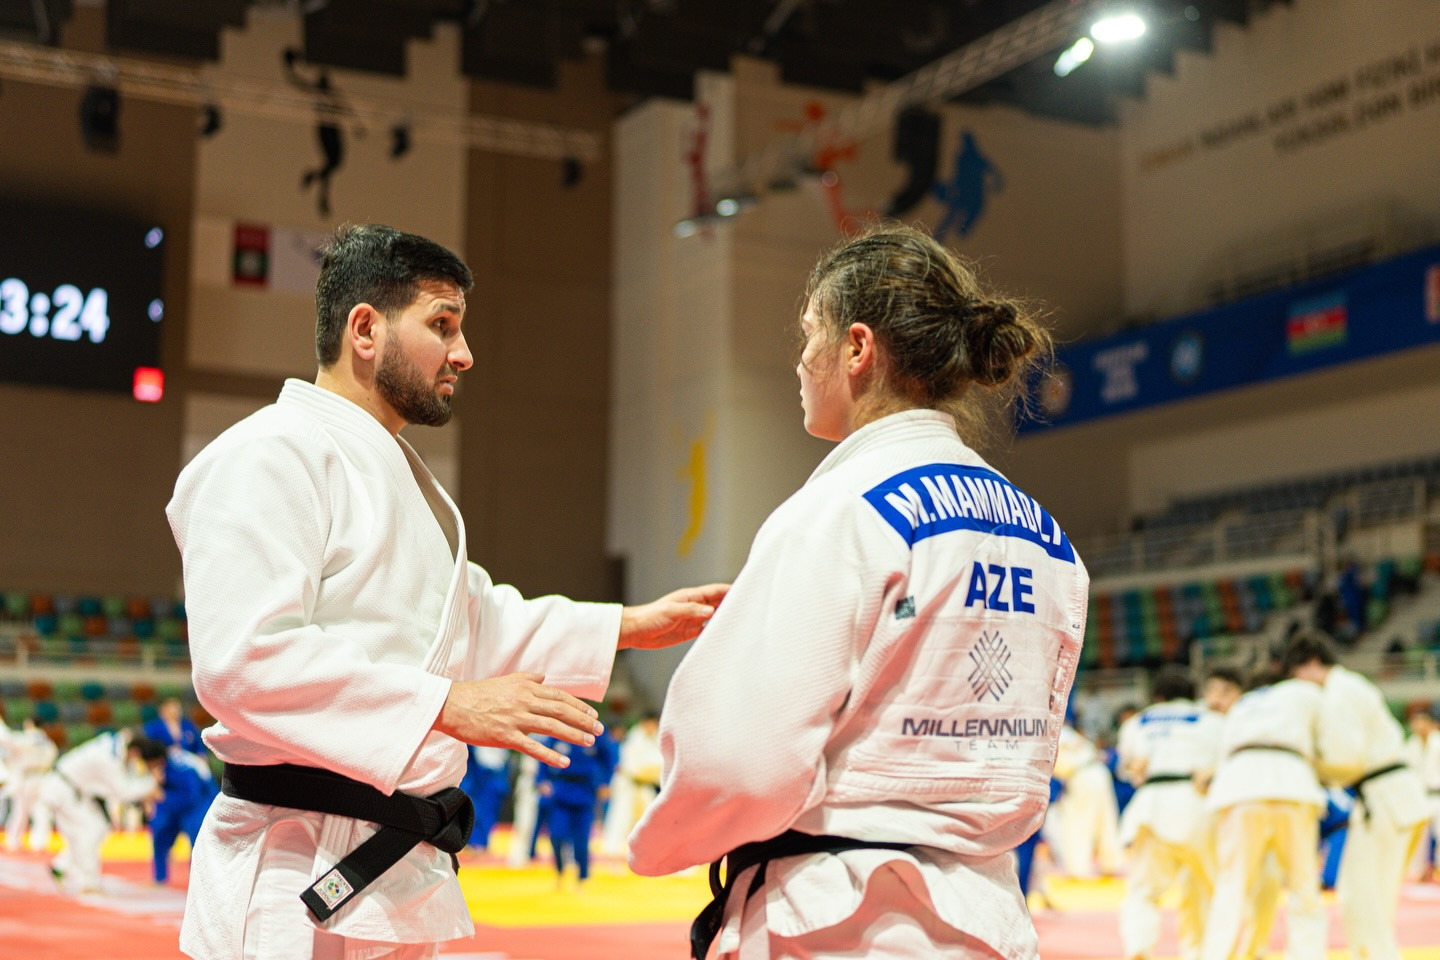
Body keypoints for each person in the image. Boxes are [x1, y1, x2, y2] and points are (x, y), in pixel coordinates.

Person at [165, 223, 726, 960]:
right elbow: (244, 661)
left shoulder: (398, 473)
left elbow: (472, 620)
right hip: (295, 872)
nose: (464, 353)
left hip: (396, 871)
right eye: (442, 325)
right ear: (365, 330)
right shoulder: (267, 454)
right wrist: (446, 705)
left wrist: (629, 625)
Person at [627, 223, 1089, 959]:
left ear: (857, 348)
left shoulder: (841, 510)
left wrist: (659, 842)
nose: (800, 359)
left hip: (839, 919)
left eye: (810, 332)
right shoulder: (1049, 538)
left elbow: (739, 758)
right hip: (990, 921)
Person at [1283, 632, 1429, 960]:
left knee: (1362, 896)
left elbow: (1347, 758)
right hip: (1388, 795)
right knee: (1369, 895)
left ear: (1310, 664)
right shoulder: (1349, 686)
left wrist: (1310, 763)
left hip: (1385, 797)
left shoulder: (1339, 691)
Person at [1199, 669, 1346, 960]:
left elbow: (1222, 757)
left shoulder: (1242, 704)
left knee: (1231, 884)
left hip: (1240, 785)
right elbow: (1331, 743)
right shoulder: (1305, 692)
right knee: (1303, 885)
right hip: (1292, 782)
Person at [1115, 667, 1223, 960]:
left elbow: (1130, 770)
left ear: (1158, 696)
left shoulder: (1137, 721)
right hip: (1194, 801)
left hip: (1149, 803)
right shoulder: (1211, 720)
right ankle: (1201, 953)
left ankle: (1139, 948)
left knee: (1142, 889)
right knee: (1204, 885)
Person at [39, 728, 166, 894]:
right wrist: (151, 783)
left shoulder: (116, 744)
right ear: (134, 751)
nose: (134, 761)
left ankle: (62, 866)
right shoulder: (109, 758)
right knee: (91, 831)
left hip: (72, 789)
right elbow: (124, 792)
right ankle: (88, 883)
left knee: (95, 828)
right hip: (65, 790)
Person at [534, 729, 617, 888]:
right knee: (556, 836)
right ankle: (560, 871)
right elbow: (543, 756)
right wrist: (542, 780)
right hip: (560, 790)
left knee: (581, 840)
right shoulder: (558, 730)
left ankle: (582, 876)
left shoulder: (594, 732)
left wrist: (605, 782)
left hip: (585, 792)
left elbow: (608, 758)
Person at [600, 713, 662, 857]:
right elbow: (630, 766)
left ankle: (647, 851)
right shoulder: (634, 738)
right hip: (629, 786)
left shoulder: (657, 738)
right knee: (619, 818)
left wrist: (653, 772)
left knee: (650, 820)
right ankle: (612, 850)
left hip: (646, 787)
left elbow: (660, 762)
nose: (652, 728)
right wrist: (650, 770)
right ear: (644, 723)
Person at [2, 715, 59, 852]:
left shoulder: (27, 738)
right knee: (41, 811)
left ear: (29, 724)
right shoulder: (48, 742)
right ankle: (39, 843)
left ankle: (13, 842)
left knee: (20, 811)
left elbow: (7, 740)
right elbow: (54, 755)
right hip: (43, 778)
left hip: (27, 778)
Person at [1402, 703, 1440, 881]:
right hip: (1419, 794)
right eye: (1415, 722)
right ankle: (1418, 871)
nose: (1418, 725)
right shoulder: (1411, 745)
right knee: (1418, 835)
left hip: (1437, 794)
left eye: (1422, 721)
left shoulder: (1437, 742)